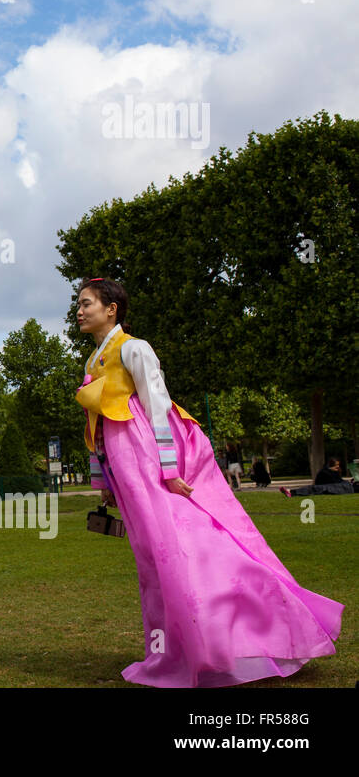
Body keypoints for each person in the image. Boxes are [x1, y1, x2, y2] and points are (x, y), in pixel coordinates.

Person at [74, 276, 342, 687]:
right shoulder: (95, 361)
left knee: (178, 552)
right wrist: (103, 478)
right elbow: (94, 424)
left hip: (143, 456)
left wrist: (169, 469)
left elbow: (157, 405)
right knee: (153, 561)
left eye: (87, 303)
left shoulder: (133, 348)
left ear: (112, 309)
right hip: (122, 464)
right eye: (79, 304)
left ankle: (229, 637)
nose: (79, 310)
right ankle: (175, 652)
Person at [280, 458, 357, 496]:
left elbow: (338, 481)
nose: (338, 467)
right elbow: (335, 481)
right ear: (331, 465)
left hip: (333, 487)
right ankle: (291, 492)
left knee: (312, 489)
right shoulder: (326, 472)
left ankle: (291, 492)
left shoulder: (332, 472)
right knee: (312, 489)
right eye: (336, 465)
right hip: (327, 487)